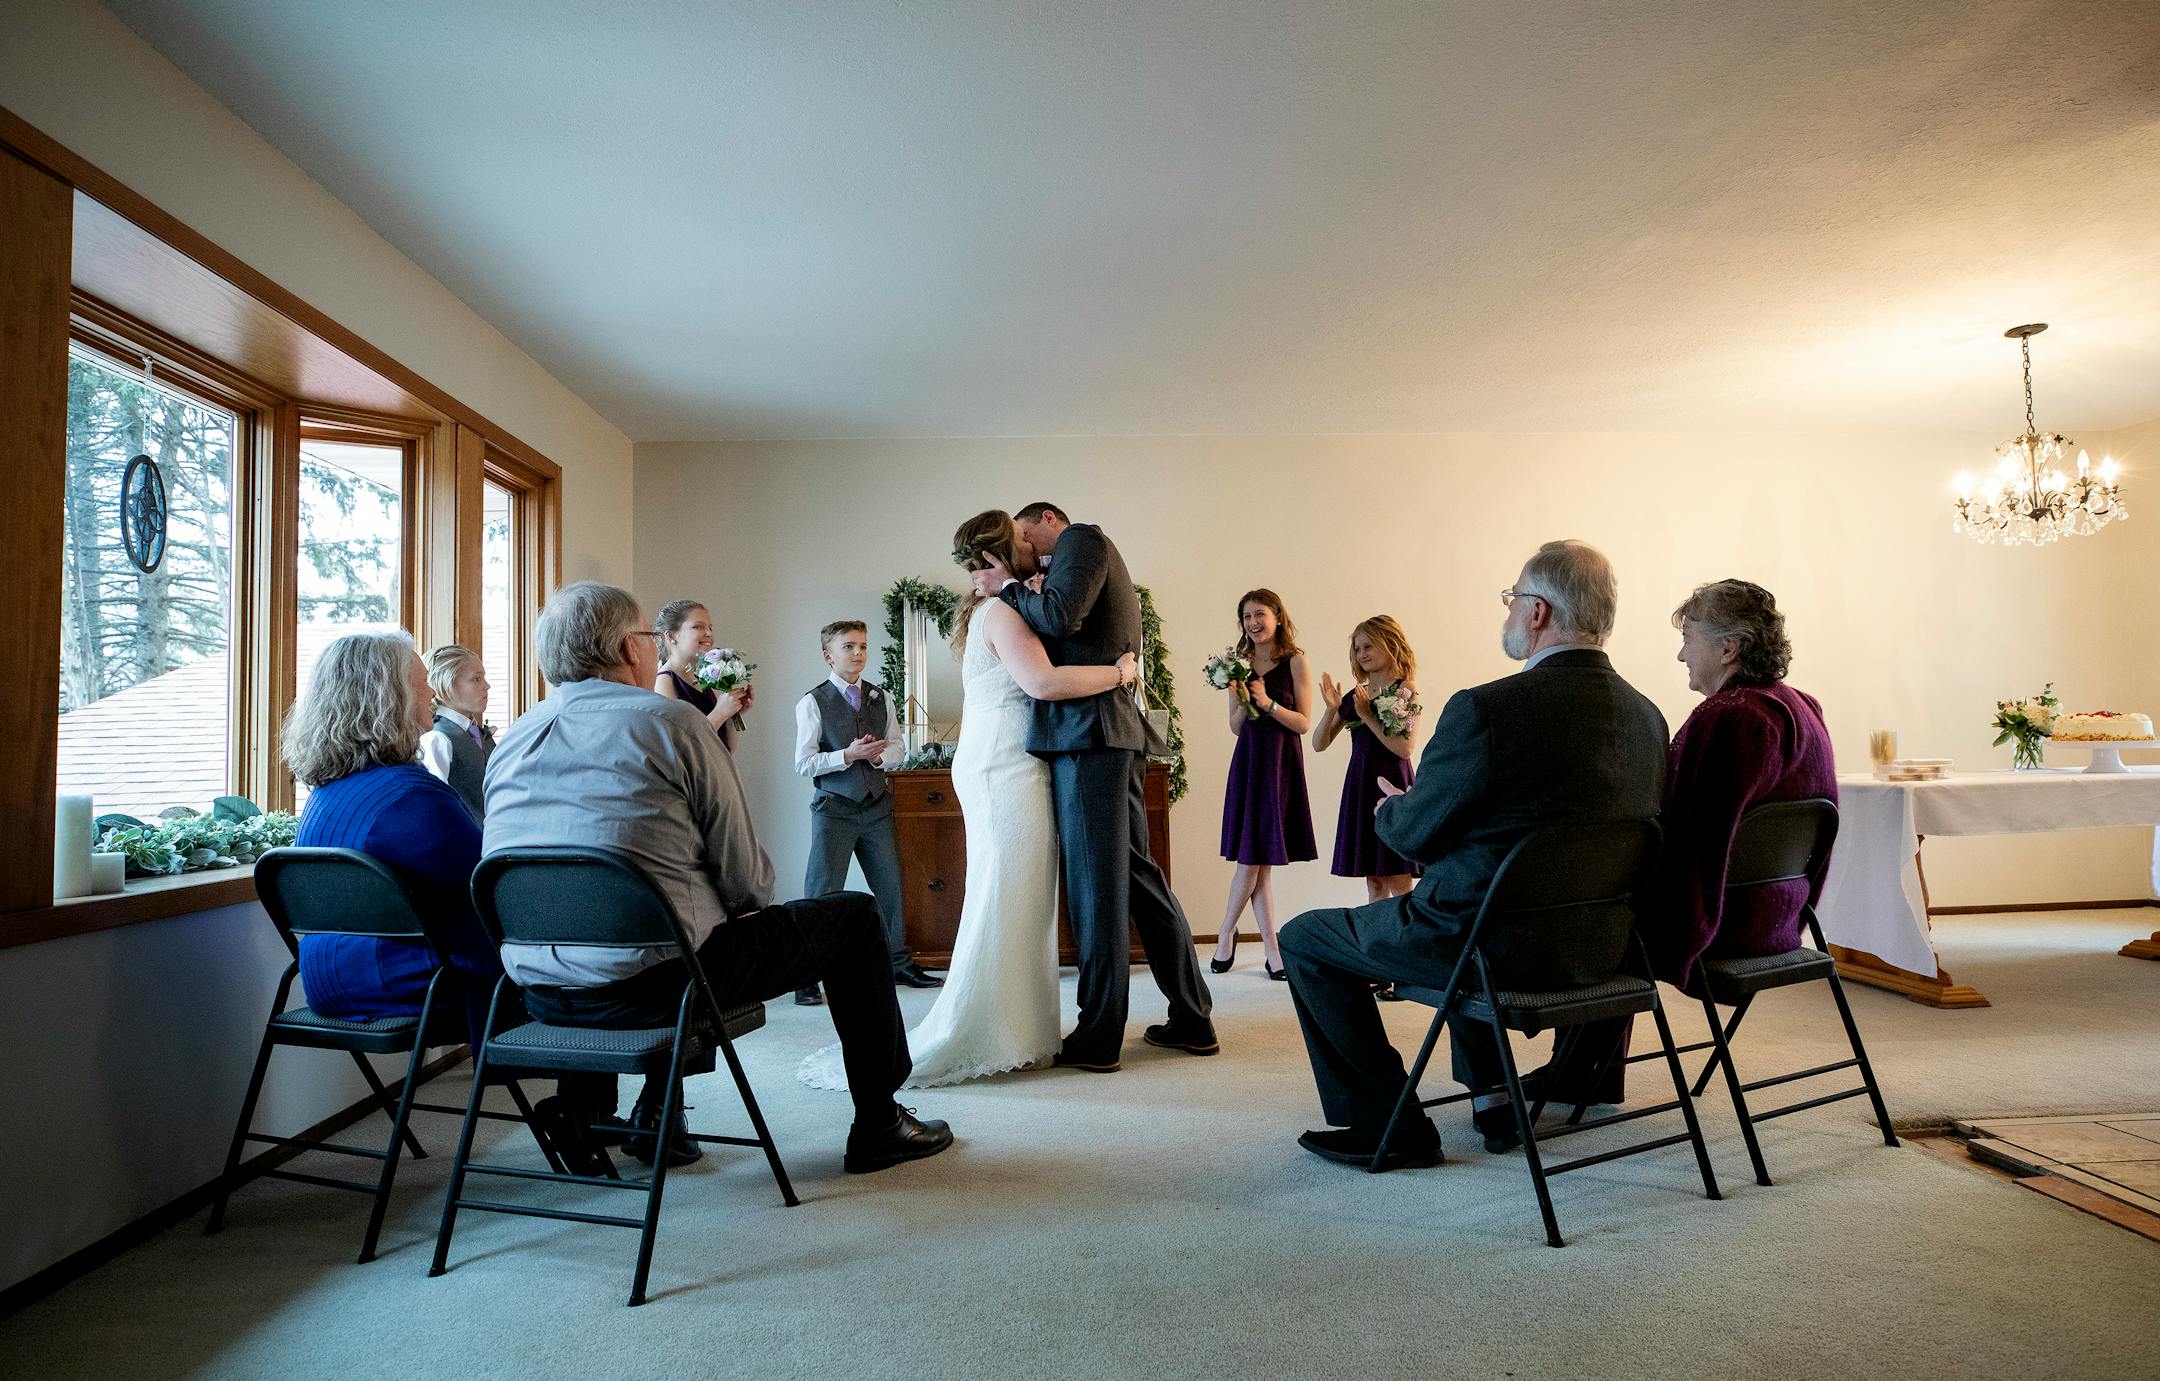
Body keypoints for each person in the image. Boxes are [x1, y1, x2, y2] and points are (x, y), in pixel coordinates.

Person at [484, 580, 952, 1175]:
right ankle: (880, 1123)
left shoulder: (512, 740)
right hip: (662, 984)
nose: (654, 648)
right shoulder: (673, 723)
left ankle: (590, 1112)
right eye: (650, 639)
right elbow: (748, 882)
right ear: (630, 650)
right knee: (854, 916)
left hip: (538, 990)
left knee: (622, 928)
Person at [1279, 541, 1667, 1167]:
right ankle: (1492, 1098)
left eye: (1513, 599)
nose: (1509, 611)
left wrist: (1389, 813)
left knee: (1305, 939)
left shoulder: (1484, 710)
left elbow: (1413, 834)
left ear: (1538, 612)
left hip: (1487, 945)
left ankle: (1386, 1126)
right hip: (1602, 949)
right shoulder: (1647, 716)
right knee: (1483, 888)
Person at [800, 512, 1138, 1089]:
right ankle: (991, 1027)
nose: (1038, 548)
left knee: (1012, 889)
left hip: (1000, 759)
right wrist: (1117, 672)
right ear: (1007, 553)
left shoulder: (998, 607)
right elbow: (1043, 684)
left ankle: (1022, 1027)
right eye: (1026, 541)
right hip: (1005, 765)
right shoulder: (1005, 610)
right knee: (1010, 890)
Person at [1548, 579, 1838, 1104]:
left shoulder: (1731, 717)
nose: (1681, 652)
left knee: (1594, 908)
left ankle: (1581, 1075)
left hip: (1726, 924)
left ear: (1729, 647)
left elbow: (1685, 837)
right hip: (1782, 918)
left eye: (1691, 637)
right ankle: (1585, 1072)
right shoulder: (1802, 705)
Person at [967, 501, 1216, 1072]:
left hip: (1089, 737)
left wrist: (1008, 587)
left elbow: (1059, 619)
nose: (1026, 549)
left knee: (1095, 889)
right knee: (1138, 879)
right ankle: (1192, 1017)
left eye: (1026, 536)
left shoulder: (1081, 538)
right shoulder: (1061, 562)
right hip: (1105, 734)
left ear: (1048, 519)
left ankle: (1100, 1036)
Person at [286, 631, 504, 1047]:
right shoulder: (410, 795)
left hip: (325, 979)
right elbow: (490, 889)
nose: (430, 693)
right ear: (389, 695)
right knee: (565, 964)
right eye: (421, 682)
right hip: (407, 980)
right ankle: (583, 1104)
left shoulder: (324, 796)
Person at [793, 619, 942, 1003]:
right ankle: (805, 974)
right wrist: (848, 755)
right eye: (848, 647)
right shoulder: (812, 702)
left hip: (876, 807)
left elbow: (897, 749)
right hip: (834, 809)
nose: (858, 653)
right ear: (828, 655)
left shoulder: (882, 697)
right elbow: (803, 763)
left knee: (890, 886)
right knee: (822, 893)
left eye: (862, 646)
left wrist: (876, 759)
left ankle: (897, 962)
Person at [1311, 615, 1423, 999]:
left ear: (1391, 645)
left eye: (1368, 645)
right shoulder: (1356, 695)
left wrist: (1367, 717)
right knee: (1373, 880)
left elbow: (1403, 748)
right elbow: (1319, 743)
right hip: (1359, 788)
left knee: (1398, 880)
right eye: (1357, 648)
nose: (1361, 653)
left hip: (1391, 790)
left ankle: (1411, 964)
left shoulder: (1404, 690)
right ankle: (1380, 966)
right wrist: (1331, 709)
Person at [1213, 589, 1316, 980]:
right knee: (1255, 861)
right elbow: (1236, 728)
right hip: (1251, 761)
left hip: (1280, 763)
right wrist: (1242, 700)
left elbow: (1304, 723)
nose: (1253, 623)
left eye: (1260, 614)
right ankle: (1268, 949)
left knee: (1257, 861)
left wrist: (1269, 703)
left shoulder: (1295, 660)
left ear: (1277, 617)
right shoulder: (1236, 664)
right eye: (1246, 617)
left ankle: (1227, 934)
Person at [653, 598, 753, 753]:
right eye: (698, 626)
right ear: (672, 636)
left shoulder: (699, 678)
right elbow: (678, 748)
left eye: (710, 628)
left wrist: (732, 716)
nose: (708, 633)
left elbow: (726, 750)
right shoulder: (664, 681)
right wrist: (720, 713)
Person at [417, 643, 494, 822]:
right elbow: (435, 807)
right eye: (476, 679)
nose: (487, 686)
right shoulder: (438, 739)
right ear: (447, 684)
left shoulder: (480, 735)